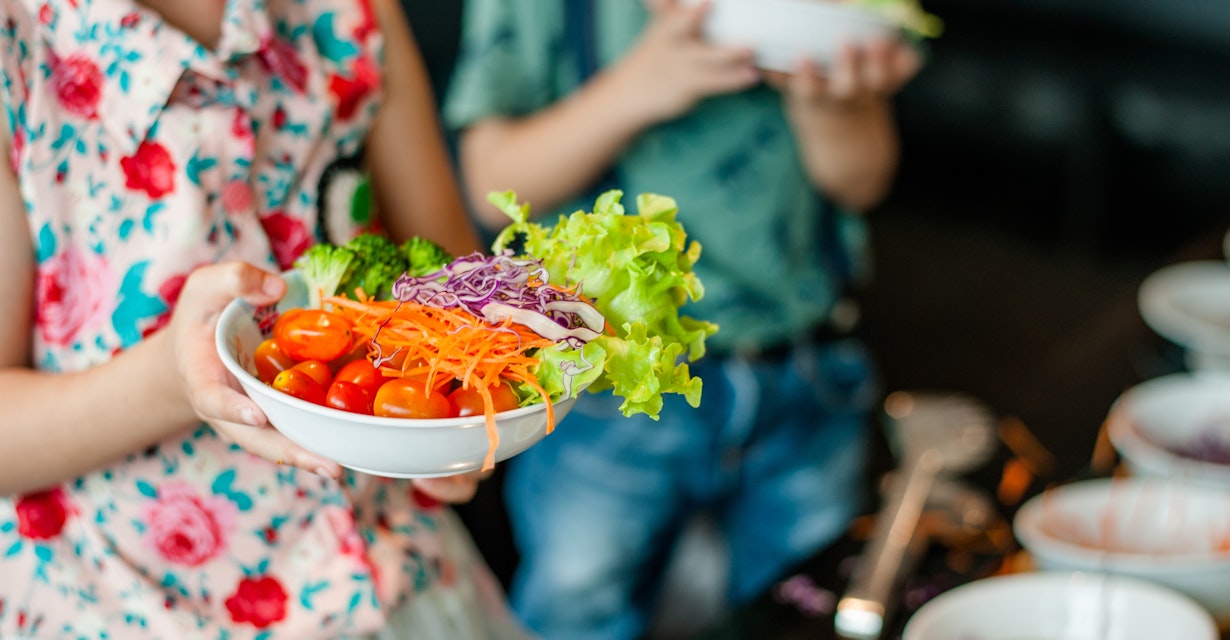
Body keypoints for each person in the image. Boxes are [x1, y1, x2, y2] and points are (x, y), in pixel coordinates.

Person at [0, 0, 533, 637]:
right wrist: (172, 379)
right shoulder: (18, 47)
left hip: (394, 570)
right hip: (127, 604)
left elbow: (452, 283)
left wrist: (453, 435)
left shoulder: (357, 16)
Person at [443, 0, 922, 637]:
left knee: (805, 600)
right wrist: (636, 88)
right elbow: (492, 182)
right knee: (577, 601)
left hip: (802, 367)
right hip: (603, 387)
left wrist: (832, 103)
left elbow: (862, 180)